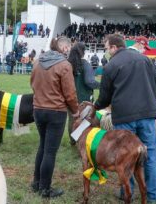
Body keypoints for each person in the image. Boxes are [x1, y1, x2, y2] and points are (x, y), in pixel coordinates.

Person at [94, 34, 156, 203]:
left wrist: (95, 107)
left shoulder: (111, 66)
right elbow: (155, 86)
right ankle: (153, 196)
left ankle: (127, 193)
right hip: (147, 114)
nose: (107, 51)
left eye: (107, 48)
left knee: (124, 156)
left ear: (114, 47)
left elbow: (104, 98)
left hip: (124, 116)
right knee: (151, 155)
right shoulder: (145, 60)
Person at [30, 36, 78, 198]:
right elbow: (70, 94)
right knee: (50, 151)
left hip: (38, 109)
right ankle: (45, 188)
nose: (69, 50)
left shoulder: (37, 62)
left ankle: (36, 183)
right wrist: (76, 111)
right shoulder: (64, 65)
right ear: (64, 48)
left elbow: (32, 84)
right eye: (69, 48)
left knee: (42, 146)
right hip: (56, 112)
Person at [66, 42, 100, 144]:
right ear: (83, 52)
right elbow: (90, 81)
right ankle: (82, 141)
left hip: (69, 97)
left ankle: (73, 140)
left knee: (72, 119)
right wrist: (102, 85)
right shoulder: (85, 64)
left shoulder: (67, 64)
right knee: (85, 120)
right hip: (84, 98)